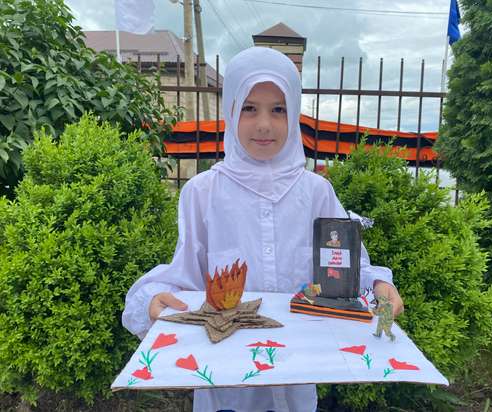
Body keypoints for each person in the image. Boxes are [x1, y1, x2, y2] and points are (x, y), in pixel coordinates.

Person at [122, 47, 404, 412]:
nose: (264, 124)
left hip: (297, 375)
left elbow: (345, 268)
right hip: (225, 381)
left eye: (279, 109)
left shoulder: (316, 192)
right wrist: (152, 299)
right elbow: (184, 275)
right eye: (250, 108)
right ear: (231, 110)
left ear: (294, 112)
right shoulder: (203, 194)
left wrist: (379, 284)